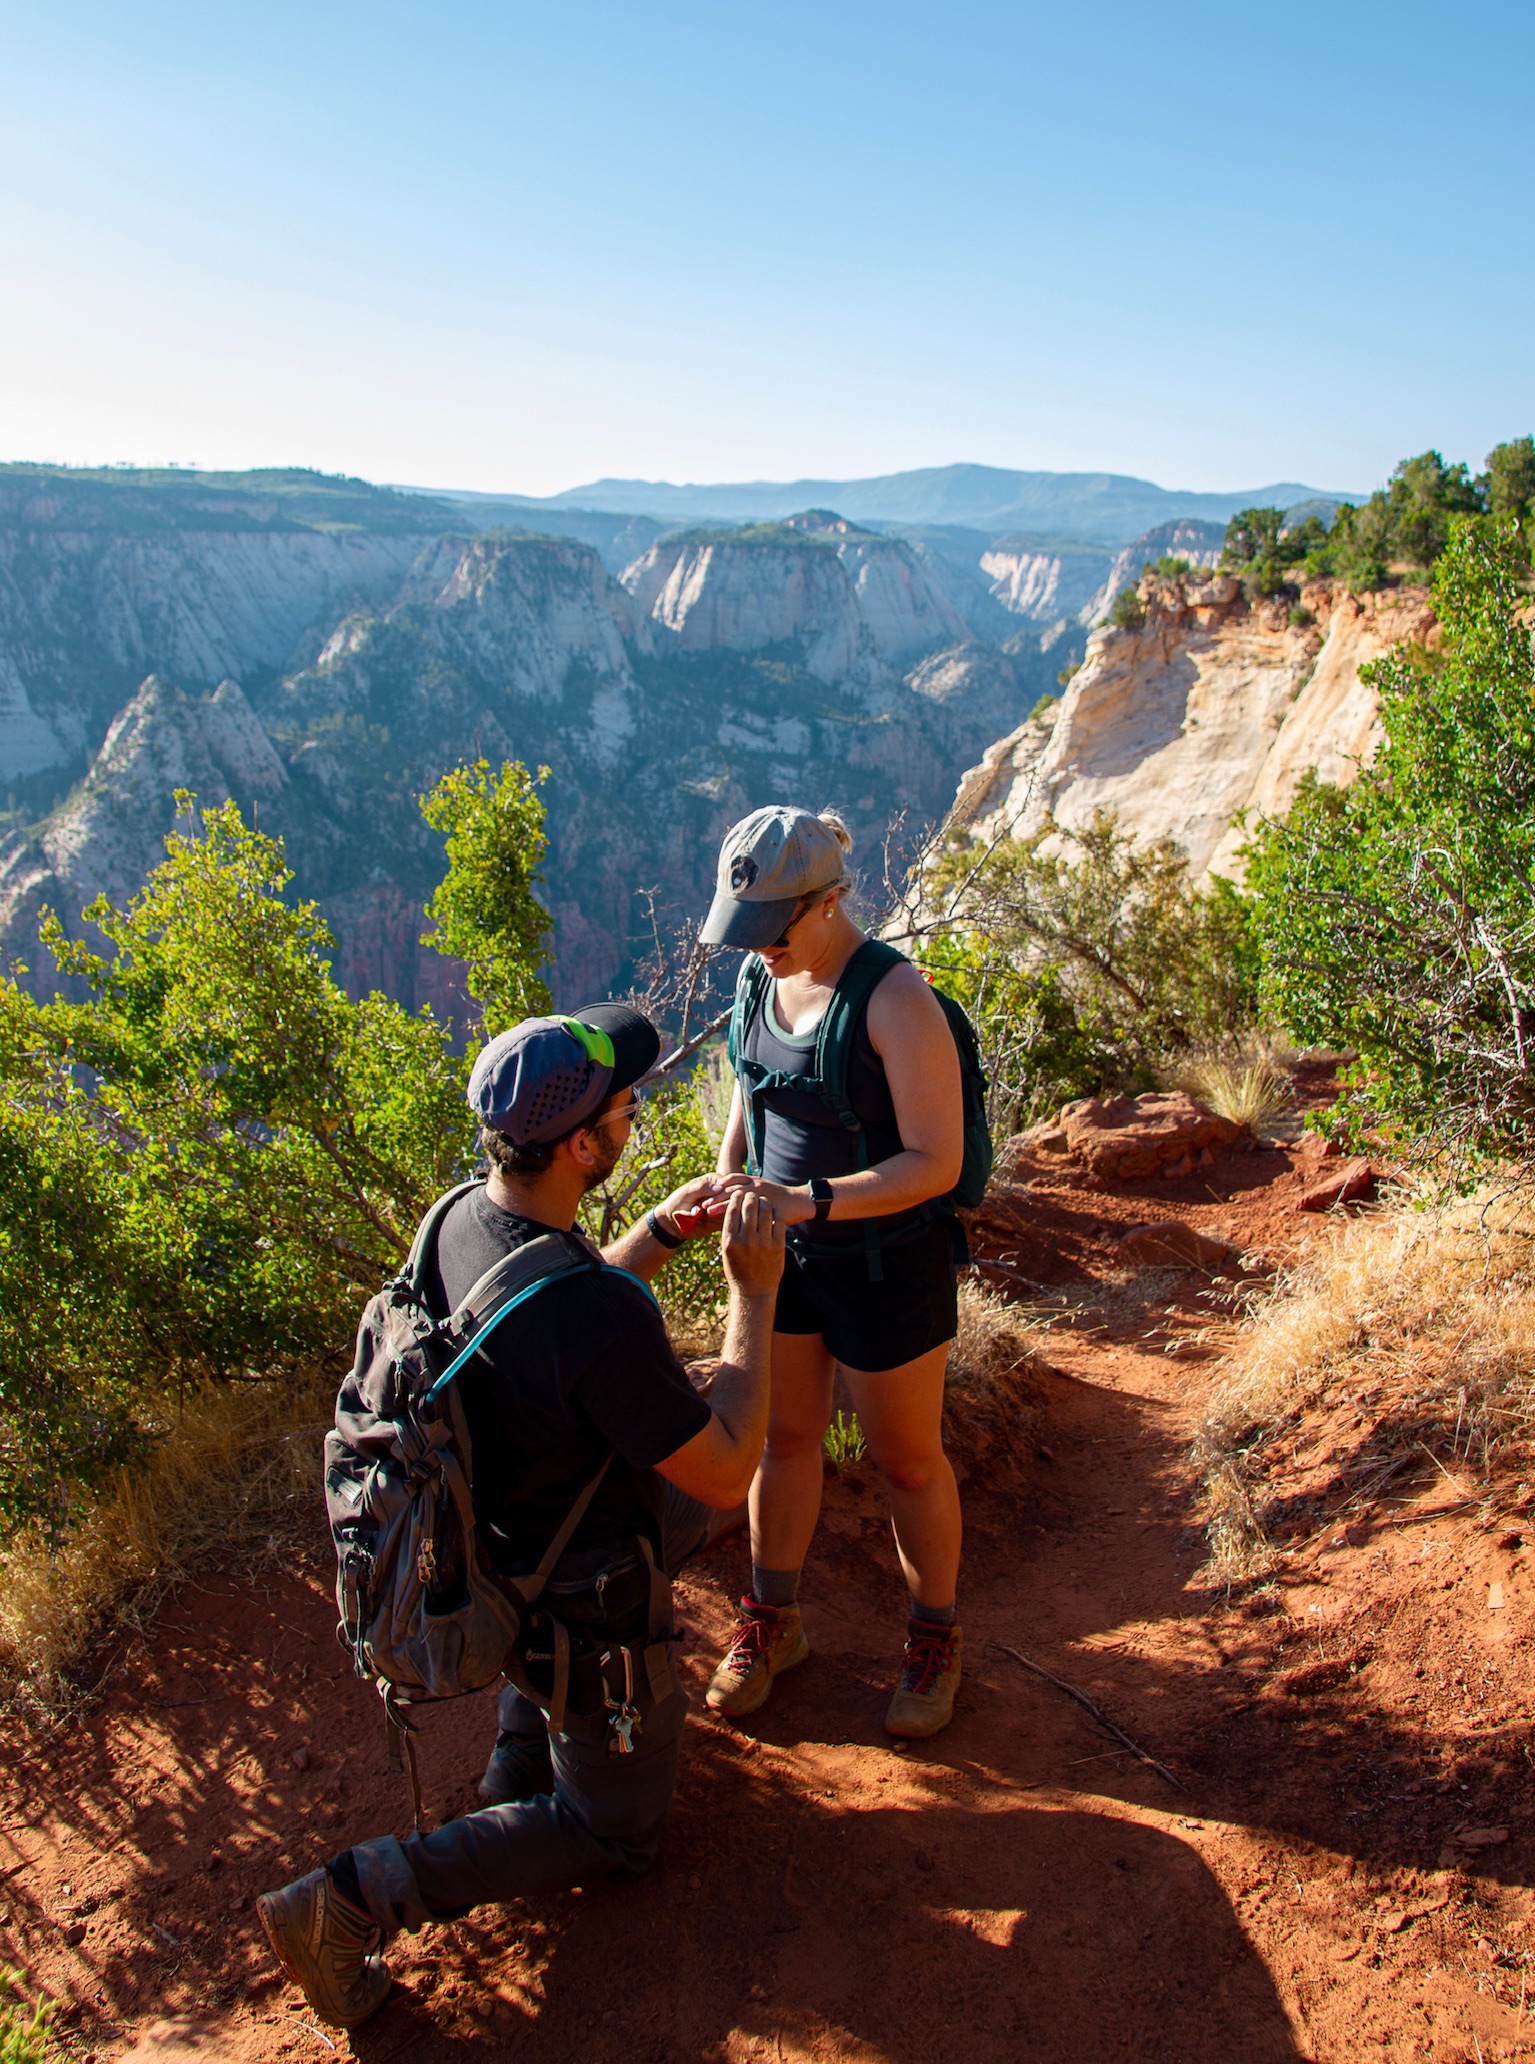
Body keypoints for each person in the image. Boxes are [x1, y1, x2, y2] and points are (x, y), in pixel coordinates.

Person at [257, 1003, 784, 2030]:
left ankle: (517, 1763)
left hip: (489, 1549)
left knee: (557, 1696)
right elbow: (724, 1470)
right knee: (613, 1834)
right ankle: (349, 1900)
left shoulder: (460, 1214)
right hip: (586, 1596)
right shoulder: (590, 1320)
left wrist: (657, 1232)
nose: (637, 1103)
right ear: (580, 1144)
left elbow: (535, 1317)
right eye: (624, 1103)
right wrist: (750, 1295)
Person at [699, 807, 967, 1739]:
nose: (758, 947)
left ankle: (934, 1639)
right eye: (746, 930)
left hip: (887, 1262)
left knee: (905, 1459)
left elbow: (934, 1161)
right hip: (783, 1259)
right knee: (783, 1441)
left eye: (773, 927)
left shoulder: (893, 999)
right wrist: (734, 1178)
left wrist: (808, 1199)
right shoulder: (754, 978)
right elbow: (751, 1089)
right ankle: (773, 1621)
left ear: (826, 900)